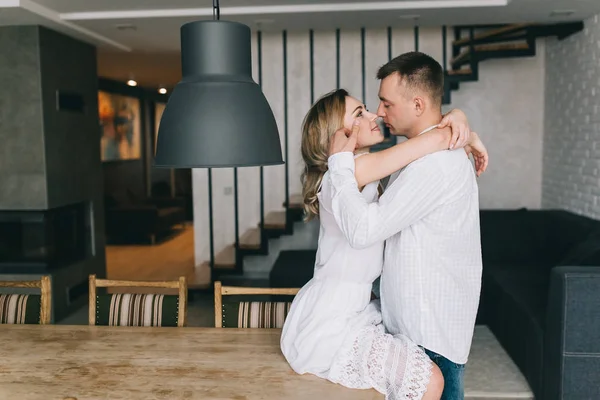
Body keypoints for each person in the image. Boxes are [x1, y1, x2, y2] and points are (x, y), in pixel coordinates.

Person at [280, 87, 488, 400]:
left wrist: (459, 121)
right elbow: (429, 141)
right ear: (339, 136)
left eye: (368, 108)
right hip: (333, 317)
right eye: (359, 114)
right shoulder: (354, 170)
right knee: (430, 382)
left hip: (355, 307)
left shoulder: (360, 172)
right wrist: (464, 132)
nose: (375, 114)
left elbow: (423, 143)